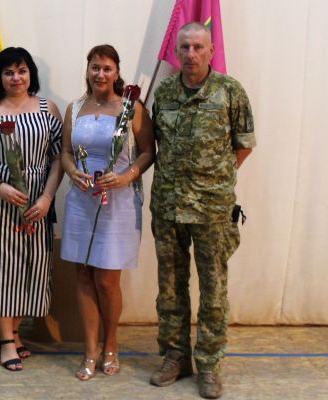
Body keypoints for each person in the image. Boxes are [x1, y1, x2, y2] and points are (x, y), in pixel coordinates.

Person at [149, 22, 255, 399]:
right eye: (185, 47)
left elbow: (244, 144)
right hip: (168, 205)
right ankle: (175, 357)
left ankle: (209, 364)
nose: (191, 54)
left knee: (213, 289)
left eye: (198, 47)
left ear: (211, 50)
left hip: (212, 209)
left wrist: (216, 179)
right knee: (170, 288)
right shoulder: (164, 92)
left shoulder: (230, 91)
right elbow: (154, 142)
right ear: (177, 51)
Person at [0, 47, 64, 372]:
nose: (16, 78)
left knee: (30, 267)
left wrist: (47, 198)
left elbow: (59, 157)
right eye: (8, 72)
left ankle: (15, 332)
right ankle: (6, 339)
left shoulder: (48, 109)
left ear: (31, 73)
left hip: (36, 203)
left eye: (21, 71)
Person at [60, 44, 154, 381]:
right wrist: (72, 172)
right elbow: (66, 152)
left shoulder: (132, 108)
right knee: (83, 275)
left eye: (107, 68)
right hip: (81, 201)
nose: (100, 74)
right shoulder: (74, 108)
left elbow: (148, 151)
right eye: (95, 68)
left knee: (107, 279)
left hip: (119, 203)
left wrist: (127, 176)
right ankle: (90, 349)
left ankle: (111, 345)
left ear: (117, 72)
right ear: (87, 70)